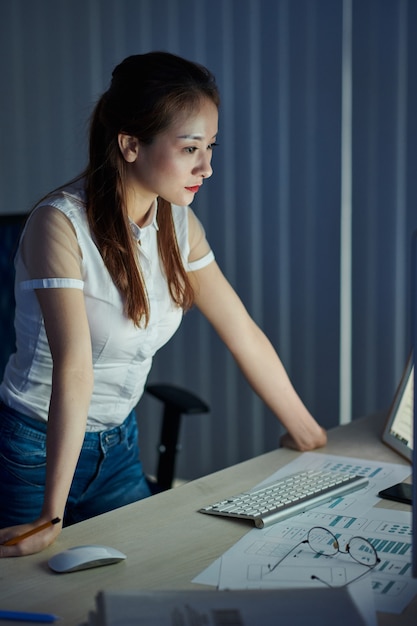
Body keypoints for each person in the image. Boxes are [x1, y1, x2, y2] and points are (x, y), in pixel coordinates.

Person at [0, 51, 327, 557]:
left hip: (119, 446)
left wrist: (307, 434)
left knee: (141, 581)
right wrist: (52, 513)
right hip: (35, 453)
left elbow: (241, 330)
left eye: (211, 147)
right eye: (191, 148)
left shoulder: (177, 223)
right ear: (131, 144)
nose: (207, 167)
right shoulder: (59, 224)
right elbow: (75, 368)